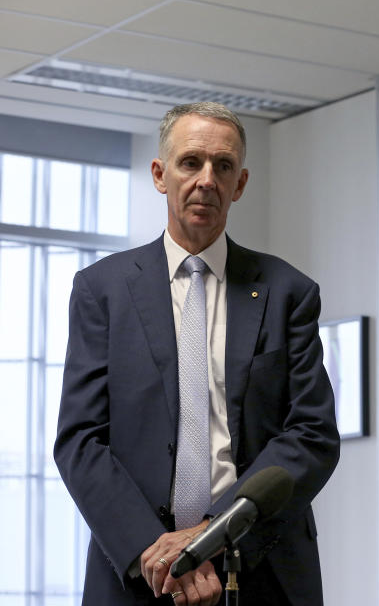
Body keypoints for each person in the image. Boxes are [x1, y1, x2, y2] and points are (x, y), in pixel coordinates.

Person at [54, 102, 340, 605]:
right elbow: (80, 440)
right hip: (139, 570)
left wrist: (212, 536)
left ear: (241, 183)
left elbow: (312, 435)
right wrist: (155, 549)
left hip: (260, 566)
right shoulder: (102, 290)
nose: (207, 179)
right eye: (191, 162)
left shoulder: (287, 292)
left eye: (223, 166)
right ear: (160, 175)